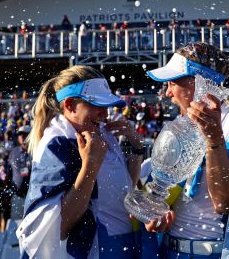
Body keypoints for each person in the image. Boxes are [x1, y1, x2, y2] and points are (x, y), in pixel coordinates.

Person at [144, 42, 229, 258]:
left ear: (199, 82)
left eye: (172, 83)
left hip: (215, 252)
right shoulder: (185, 119)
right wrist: (157, 211)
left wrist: (214, 138)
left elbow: (223, 202)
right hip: (172, 251)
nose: (167, 93)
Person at [16, 66, 144, 258]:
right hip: (92, 249)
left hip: (122, 244)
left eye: (106, 106)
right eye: (97, 105)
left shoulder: (99, 133)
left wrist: (137, 149)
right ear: (69, 105)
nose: (105, 114)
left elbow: (125, 190)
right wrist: (90, 167)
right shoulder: (57, 143)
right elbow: (59, 225)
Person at [7, 125, 32, 219]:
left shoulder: (36, 150)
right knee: (16, 223)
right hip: (17, 194)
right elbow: (9, 171)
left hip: (32, 195)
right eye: (20, 135)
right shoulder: (14, 152)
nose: (21, 137)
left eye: (24, 134)